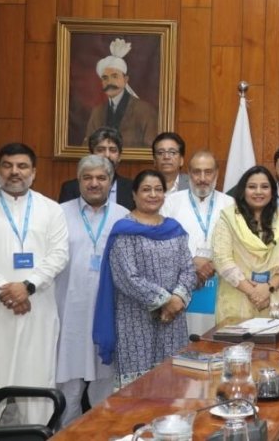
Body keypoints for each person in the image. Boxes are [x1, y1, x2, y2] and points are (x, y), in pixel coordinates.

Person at [92, 169, 195, 387]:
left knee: (172, 382)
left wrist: (177, 300)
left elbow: (188, 269)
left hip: (173, 321)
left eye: (158, 189)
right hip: (134, 319)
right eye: (146, 189)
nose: (153, 194)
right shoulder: (124, 230)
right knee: (138, 389)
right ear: (135, 195)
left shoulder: (174, 229)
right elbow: (127, 277)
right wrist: (166, 301)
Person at [0, 143, 69, 425]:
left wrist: (27, 286)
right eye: (7, 165)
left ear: (34, 172)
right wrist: (6, 290)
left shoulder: (51, 209)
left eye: (22, 166)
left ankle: (39, 432)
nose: (15, 172)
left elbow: (59, 255)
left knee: (38, 381)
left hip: (37, 308)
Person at [56, 155, 129, 427]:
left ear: (110, 182)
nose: (94, 183)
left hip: (108, 315)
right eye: (87, 178)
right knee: (68, 387)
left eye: (101, 177)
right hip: (69, 312)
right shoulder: (59, 214)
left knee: (105, 386)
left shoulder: (124, 216)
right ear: (79, 181)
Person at [212, 165, 279, 322]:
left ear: (272, 192)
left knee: (277, 346)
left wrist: (268, 288)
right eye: (252, 187)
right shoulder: (228, 219)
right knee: (238, 346)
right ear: (243, 191)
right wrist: (253, 292)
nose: (258, 192)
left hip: (277, 302)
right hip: (237, 300)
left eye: (264, 187)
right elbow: (222, 261)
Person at [161, 150, 234, 335]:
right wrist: (192, 263)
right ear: (188, 172)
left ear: (217, 173)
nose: (202, 178)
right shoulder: (170, 202)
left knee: (215, 342)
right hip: (181, 286)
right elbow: (161, 245)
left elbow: (238, 247)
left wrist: (213, 264)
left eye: (208, 172)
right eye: (196, 172)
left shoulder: (230, 203)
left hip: (220, 286)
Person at [84, 38, 158, 147]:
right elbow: (87, 146)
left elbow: (151, 149)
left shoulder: (145, 110)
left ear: (126, 79)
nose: (109, 82)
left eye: (115, 76)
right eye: (105, 78)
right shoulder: (97, 112)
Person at [59, 127, 135, 210]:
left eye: (113, 150)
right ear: (91, 155)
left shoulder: (132, 188)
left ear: (119, 156)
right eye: (100, 150)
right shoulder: (71, 188)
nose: (107, 155)